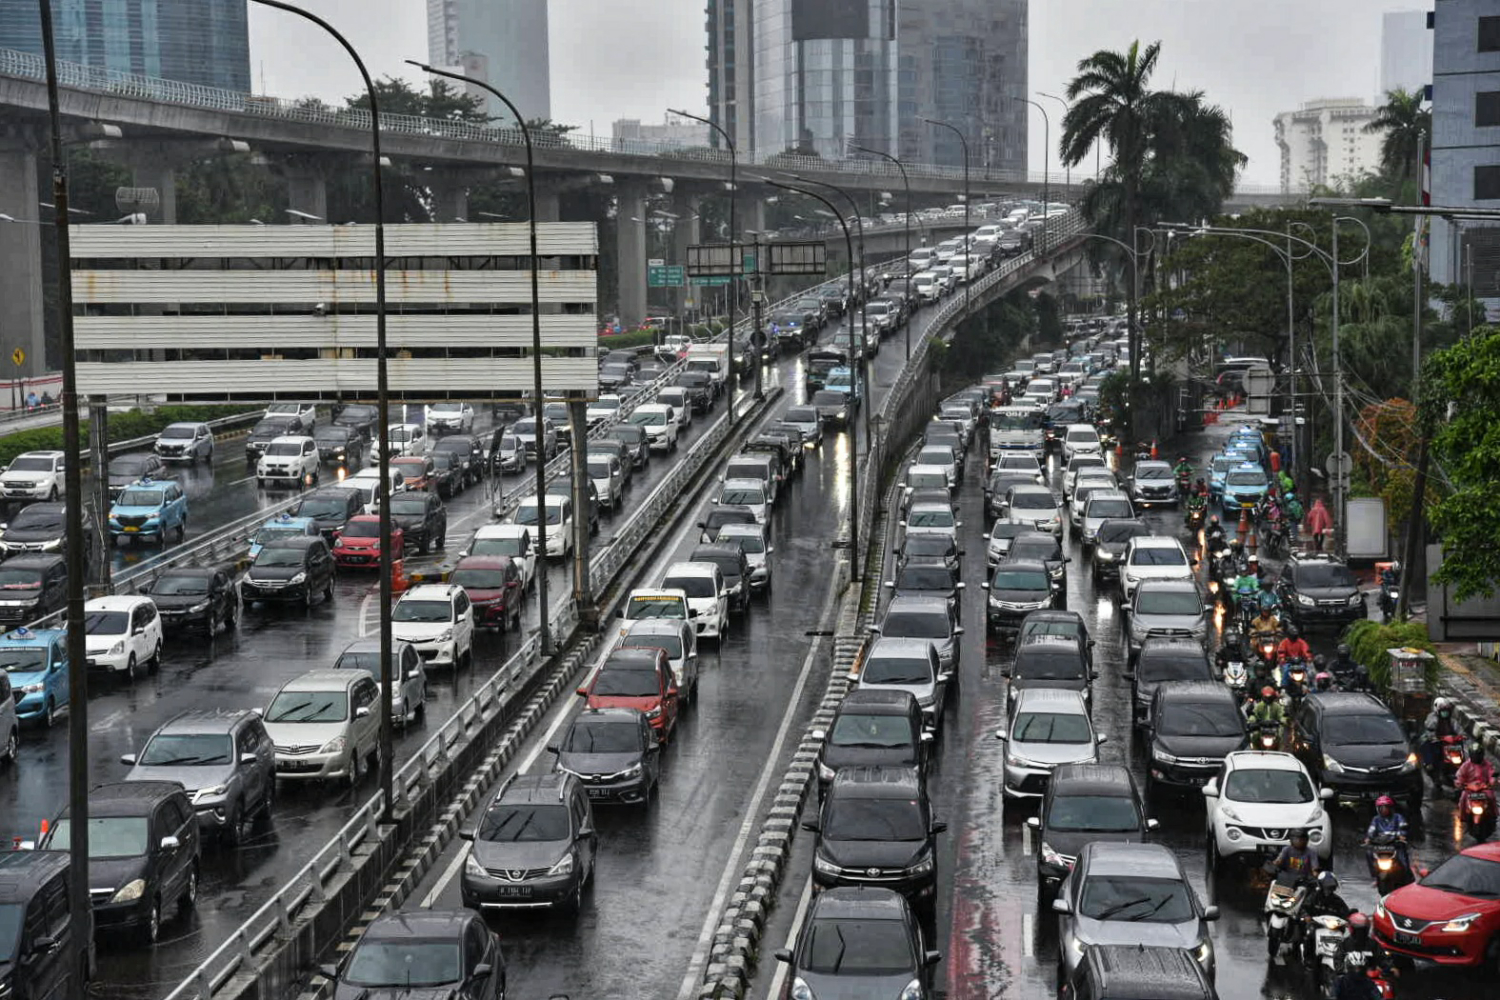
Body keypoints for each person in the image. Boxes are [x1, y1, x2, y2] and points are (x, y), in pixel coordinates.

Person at [1364, 795, 1411, 878]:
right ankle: (1374, 874)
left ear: (1390, 808)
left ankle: (1406, 874)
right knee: (1369, 853)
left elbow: (1403, 828)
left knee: (1402, 856)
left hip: (1395, 843)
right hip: (1381, 844)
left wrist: (1401, 835)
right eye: (1381, 808)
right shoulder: (1376, 819)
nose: (1384, 810)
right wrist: (1368, 838)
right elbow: (1371, 830)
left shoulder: (1398, 817)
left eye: (1386, 807)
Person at [1421, 696, 1464, 773]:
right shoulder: (1432, 718)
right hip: (1438, 742)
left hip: (1451, 743)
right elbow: (1429, 729)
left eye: (1446, 711)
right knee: (1427, 745)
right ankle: (1430, 764)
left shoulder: (1451, 721)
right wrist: (1436, 737)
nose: (1445, 713)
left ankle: (1464, 762)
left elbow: (1459, 729)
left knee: (1461, 746)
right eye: (1443, 711)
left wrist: (1462, 735)